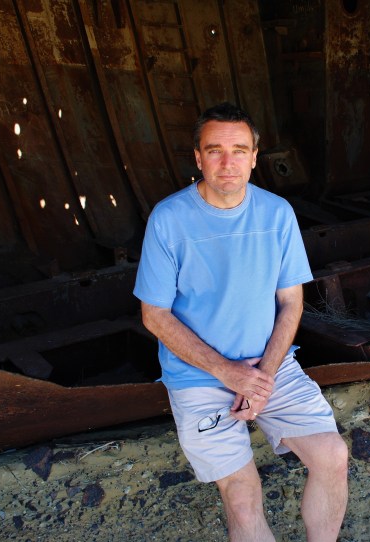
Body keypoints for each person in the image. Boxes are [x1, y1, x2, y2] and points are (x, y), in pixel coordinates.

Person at [134, 102, 348, 541]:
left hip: (271, 366)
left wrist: (262, 376)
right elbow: (154, 315)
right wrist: (228, 373)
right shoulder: (168, 219)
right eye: (215, 151)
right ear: (198, 158)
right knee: (244, 495)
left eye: (239, 150)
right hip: (198, 375)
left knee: (332, 455)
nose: (227, 162)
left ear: (254, 157)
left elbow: (291, 302)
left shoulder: (277, 213)